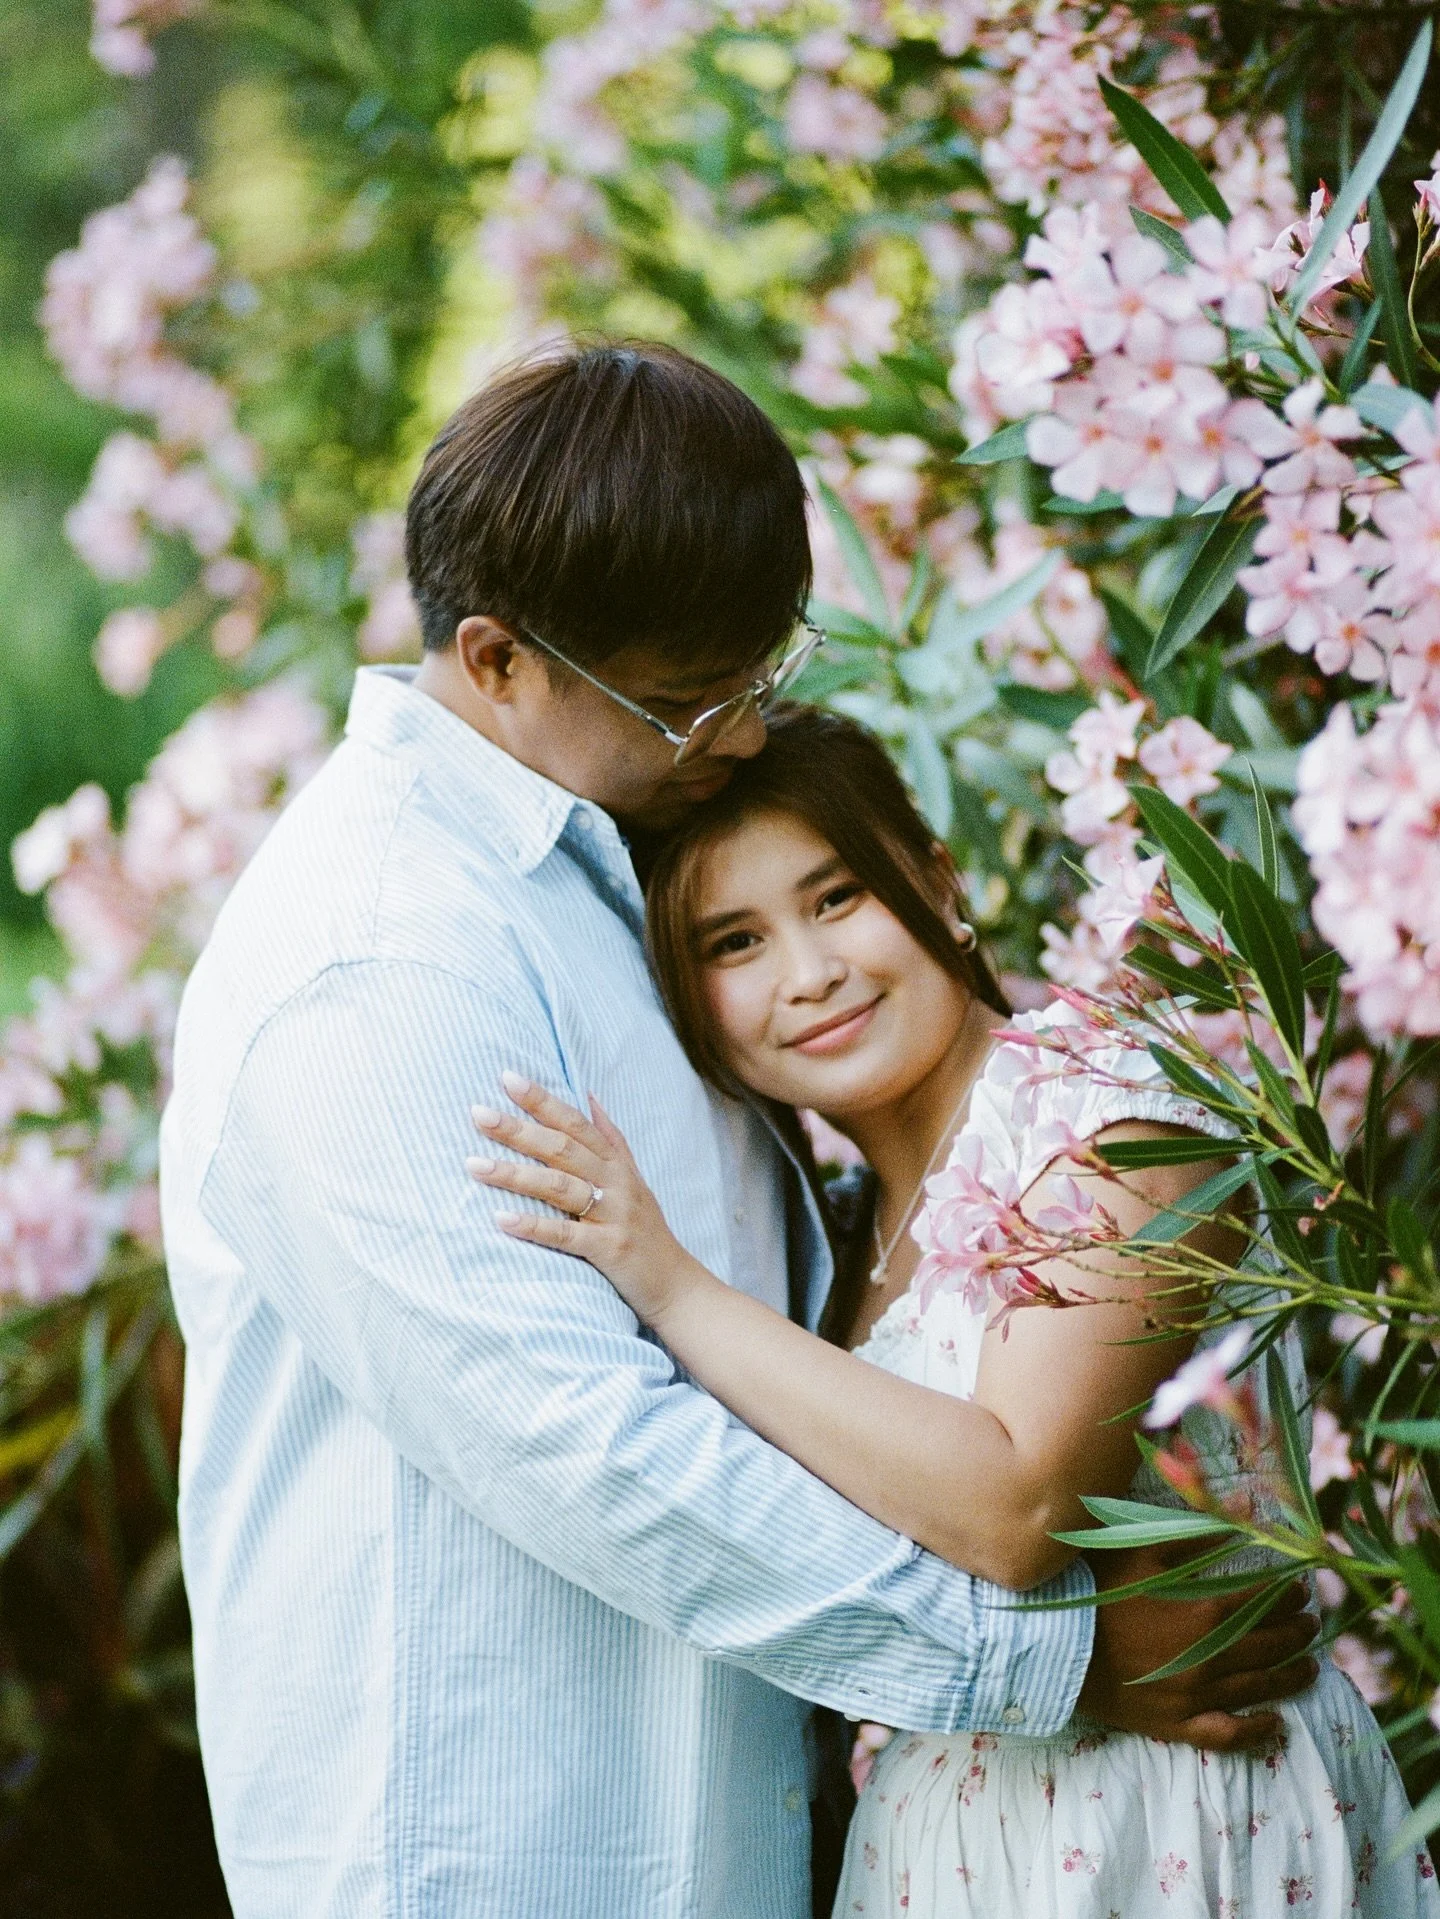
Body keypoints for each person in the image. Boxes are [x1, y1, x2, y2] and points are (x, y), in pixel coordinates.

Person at [161, 341, 1317, 1919]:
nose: (752, 732)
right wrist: (1037, 1661)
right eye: (699, 696)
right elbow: (590, 1446)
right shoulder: (382, 959)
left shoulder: (596, 868)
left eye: (763, 672)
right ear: (498, 661)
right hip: (500, 1851)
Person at [470, 700, 1437, 1917]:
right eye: (733, 942)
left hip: (1180, 1822)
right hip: (948, 1851)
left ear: (935, 878)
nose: (810, 974)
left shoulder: (1116, 1121)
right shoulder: (820, 1237)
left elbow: (1018, 1503)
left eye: (836, 898)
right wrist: (1080, 1665)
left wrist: (669, 1286)